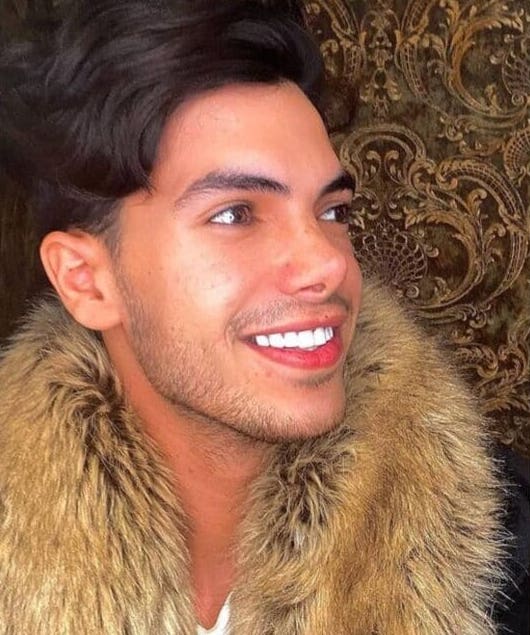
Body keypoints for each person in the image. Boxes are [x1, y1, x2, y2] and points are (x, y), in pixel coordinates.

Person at [0, 1, 527, 633]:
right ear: (85, 281)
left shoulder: (503, 545)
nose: (328, 263)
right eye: (235, 214)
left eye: (332, 212)